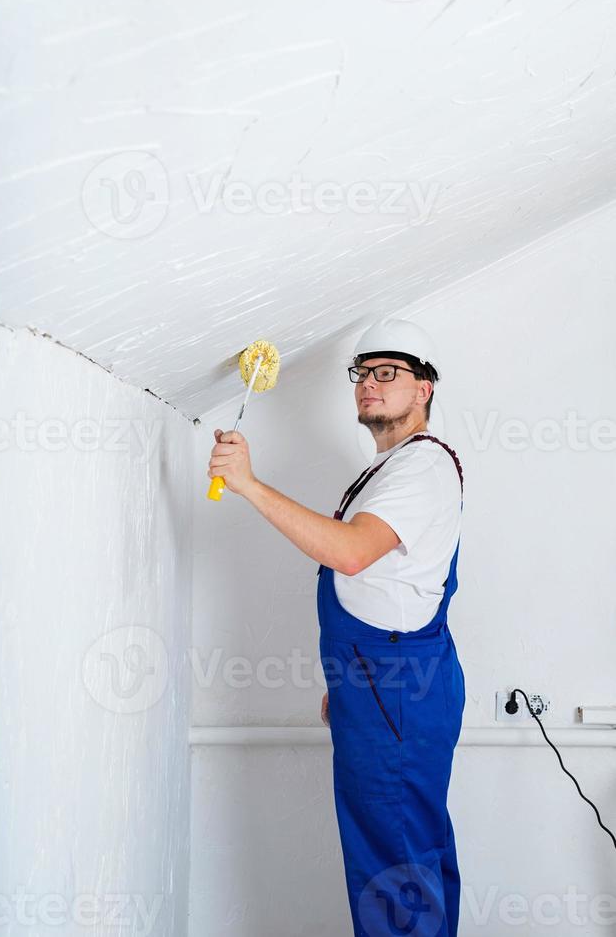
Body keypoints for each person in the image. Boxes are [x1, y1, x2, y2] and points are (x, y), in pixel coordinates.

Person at [208, 316, 466, 936]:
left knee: (393, 860)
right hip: (385, 684)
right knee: (408, 848)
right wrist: (349, 681)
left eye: (388, 374)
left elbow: (349, 553)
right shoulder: (393, 466)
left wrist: (247, 483)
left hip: (398, 691)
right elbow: (381, 585)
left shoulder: (420, 469)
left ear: (424, 388)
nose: (370, 385)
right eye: (362, 374)